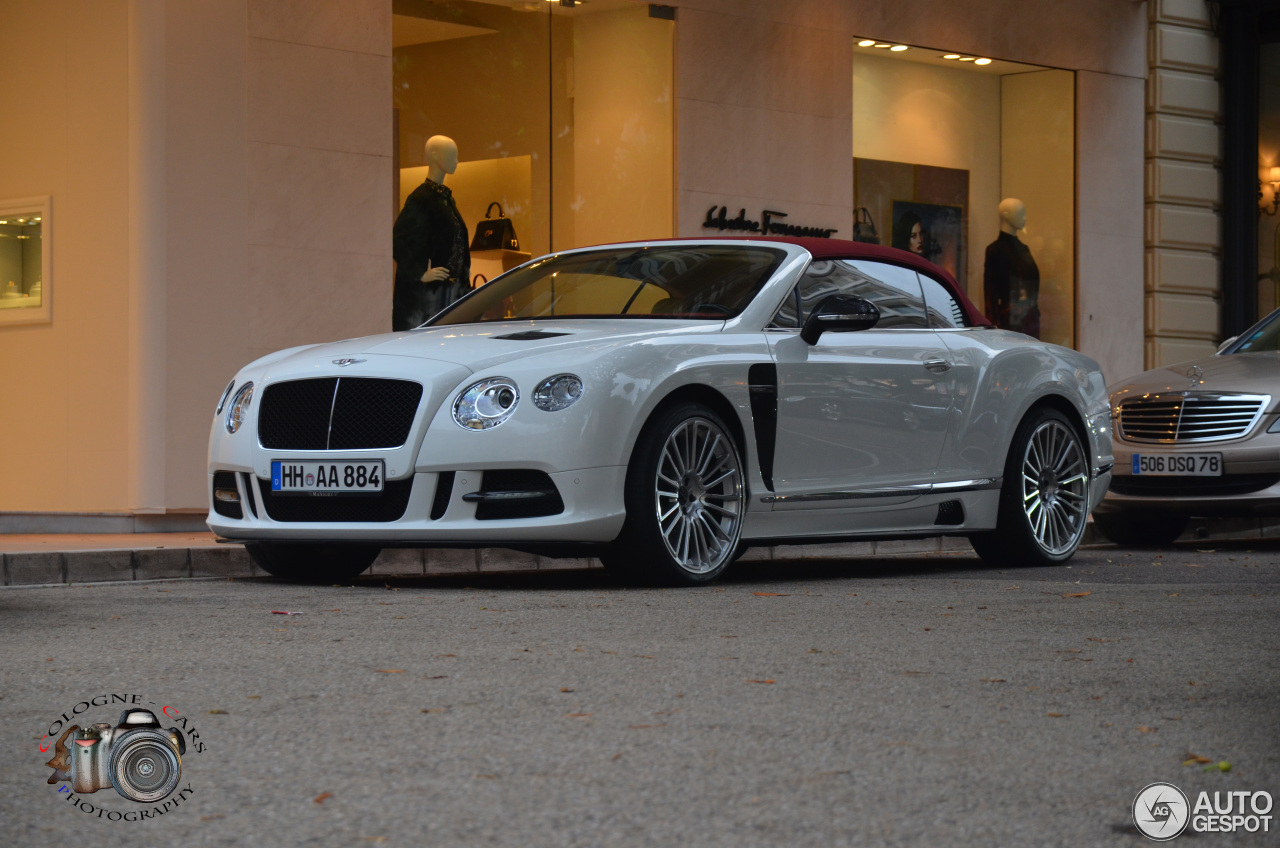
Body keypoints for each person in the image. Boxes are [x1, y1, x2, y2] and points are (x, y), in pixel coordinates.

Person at [392, 135, 471, 330]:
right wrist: (420, 273)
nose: (456, 161)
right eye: (452, 155)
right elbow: (400, 239)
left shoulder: (445, 199)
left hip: (449, 293)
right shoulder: (421, 199)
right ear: (435, 156)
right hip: (430, 297)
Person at [982, 198, 1041, 337]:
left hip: (1030, 321)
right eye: (1020, 213)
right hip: (1010, 323)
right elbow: (990, 294)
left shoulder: (1024, 249)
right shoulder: (995, 250)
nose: (1025, 217)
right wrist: (993, 328)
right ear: (1006, 214)